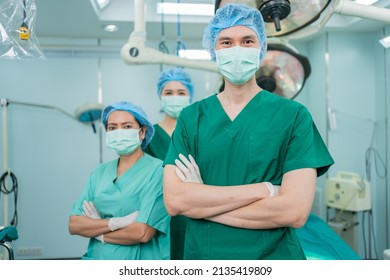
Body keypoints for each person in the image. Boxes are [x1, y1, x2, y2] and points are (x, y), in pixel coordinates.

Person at [163, 3, 334, 260]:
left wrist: (201, 203)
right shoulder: (191, 118)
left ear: (261, 47)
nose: (237, 49)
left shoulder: (294, 116)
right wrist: (264, 189)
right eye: (226, 42)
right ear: (213, 49)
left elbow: (294, 212)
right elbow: (176, 201)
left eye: (247, 40)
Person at [69, 101, 171, 260]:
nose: (119, 132)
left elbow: (142, 232)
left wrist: (98, 233)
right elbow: (74, 224)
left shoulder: (158, 171)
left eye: (127, 126)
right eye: (112, 128)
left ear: (142, 132)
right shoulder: (99, 172)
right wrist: (114, 223)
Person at [144, 67, 194, 260]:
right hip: (159, 215)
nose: (175, 97)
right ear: (160, 96)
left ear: (190, 95)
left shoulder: (197, 133)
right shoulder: (150, 137)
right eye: (168, 92)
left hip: (194, 213)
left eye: (181, 92)